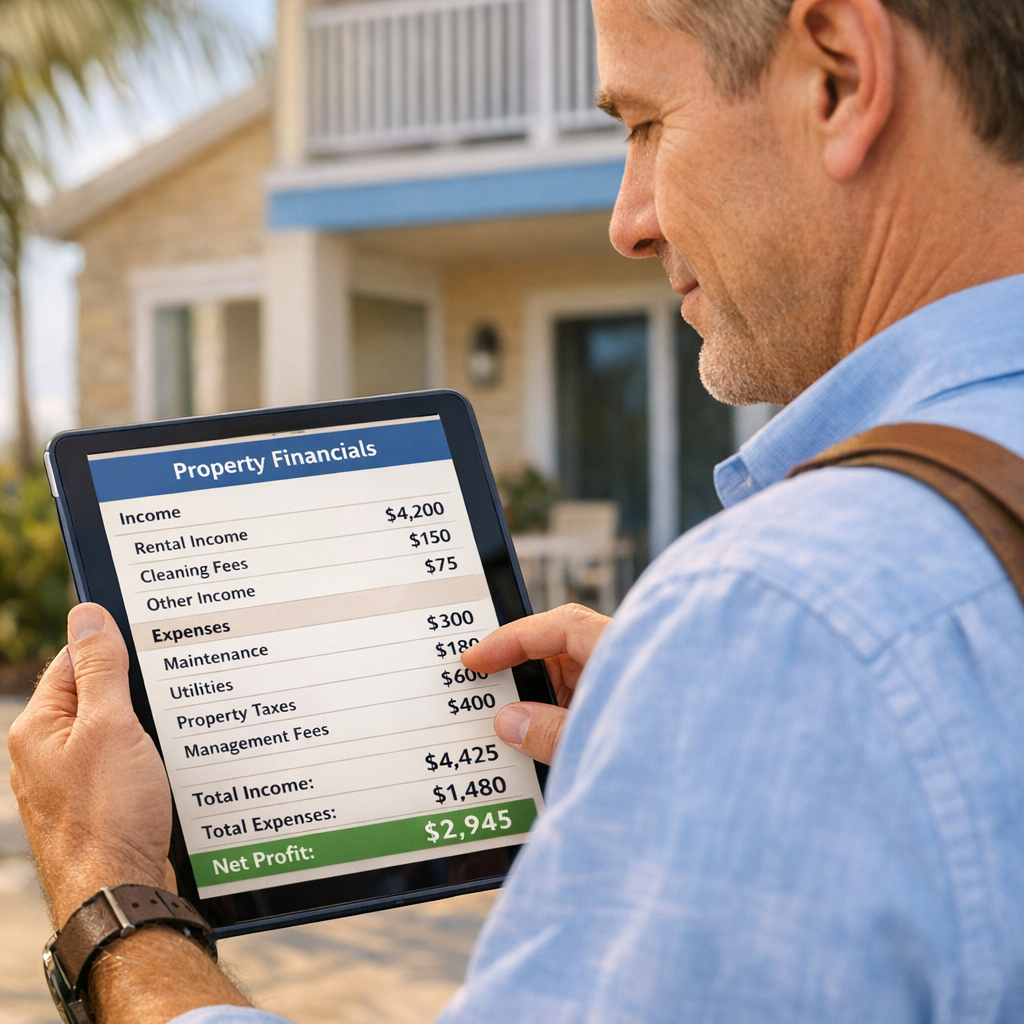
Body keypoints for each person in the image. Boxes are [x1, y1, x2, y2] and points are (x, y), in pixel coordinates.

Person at [10, 0, 1024, 1019]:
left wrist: (112, 893)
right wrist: (688, 730)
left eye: (643, 124)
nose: (627, 221)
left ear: (837, 77)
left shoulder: (786, 615)